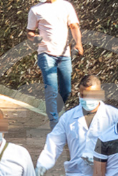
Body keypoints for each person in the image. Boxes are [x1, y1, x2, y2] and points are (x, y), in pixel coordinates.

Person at [35, 74, 118, 176]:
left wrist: (101, 159)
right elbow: (54, 143)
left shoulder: (115, 117)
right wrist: (41, 167)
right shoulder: (68, 118)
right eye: (83, 95)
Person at [26, 0, 83, 128]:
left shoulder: (66, 6)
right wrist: (34, 38)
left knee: (66, 90)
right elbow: (29, 32)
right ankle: (54, 124)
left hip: (64, 55)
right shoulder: (36, 10)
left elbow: (74, 26)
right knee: (51, 89)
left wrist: (78, 43)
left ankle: (55, 111)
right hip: (46, 54)